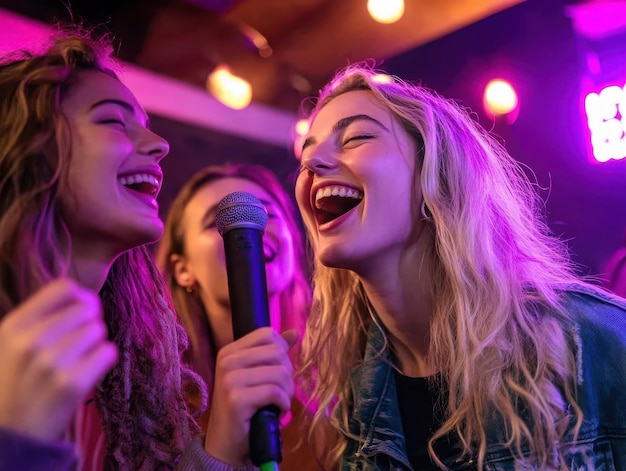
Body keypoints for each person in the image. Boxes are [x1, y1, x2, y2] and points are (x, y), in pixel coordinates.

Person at [294, 63, 626, 470]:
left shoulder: (593, 344)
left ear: (437, 173)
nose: (313, 164)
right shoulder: (353, 398)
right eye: (307, 154)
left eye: (356, 137)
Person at [0, 28, 294, 470]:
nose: (160, 145)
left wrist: (218, 454)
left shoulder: (128, 373)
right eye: (114, 121)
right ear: (28, 147)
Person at [157, 162, 325, 470]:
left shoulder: (339, 378)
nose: (252, 231)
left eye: (268, 215)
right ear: (183, 269)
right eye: (215, 222)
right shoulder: (163, 407)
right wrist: (217, 454)